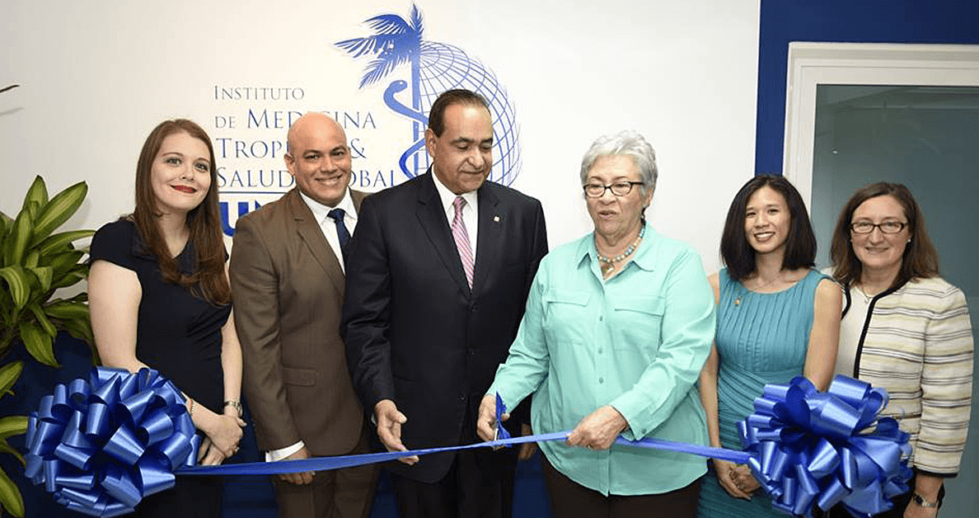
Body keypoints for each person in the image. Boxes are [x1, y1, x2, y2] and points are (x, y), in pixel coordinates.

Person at [477, 130, 716, 518]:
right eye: (595, 186)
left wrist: (621, 415)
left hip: (658, 474)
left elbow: (680, 363)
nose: (606, 197)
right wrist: (497, 397)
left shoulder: (680, 265)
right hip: (572, 467)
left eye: (621, 185)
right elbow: (530, 355)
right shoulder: (555, 266)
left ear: (648, 194)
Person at [341, 89, 548, 518]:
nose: (478, 158)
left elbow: (533, 326)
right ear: (431, 142)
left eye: (486, 145)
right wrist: (381, 399)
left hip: (494, 428)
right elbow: (365, 323)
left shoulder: (523, 214)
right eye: (463, 145)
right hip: (415, 432)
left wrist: (524, 413)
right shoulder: (385, 213)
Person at [88, 119, 246, 517]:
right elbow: (120, 362)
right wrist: (209, 421)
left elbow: (229, 338)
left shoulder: (214, 248)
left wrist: (229, 414)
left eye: (201, 166)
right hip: (144, 438)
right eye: (174, 161)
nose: (188, 175)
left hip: (212, 443)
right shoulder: (118, 242)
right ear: (148, 169)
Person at [229, 113, 377, 518]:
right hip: (304, 435)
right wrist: (282, 441)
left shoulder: (381, 212)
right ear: (290, 163)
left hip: (377, 427)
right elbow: (258, 347)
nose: (328, 167)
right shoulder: (260, 231)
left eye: (337, 153)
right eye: (312, 156)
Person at [697, 175, 841, 518]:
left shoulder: (823, 292)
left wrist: (768, 465)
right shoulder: (716, 286)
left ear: (793, 218)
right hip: (722, 459)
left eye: (772, 210)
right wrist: (715, 453)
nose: (761, 222)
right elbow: (706, 374)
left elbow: (813, 391)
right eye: (750, 214)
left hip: (787, 461)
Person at [827, 182, 973, 518]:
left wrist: (926, 497)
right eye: (863, 224)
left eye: (890, 224)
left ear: (910, 233)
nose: (875, 237)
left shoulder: (940, 301)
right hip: (824, 468)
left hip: (893, 480)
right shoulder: (826, 288)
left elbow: (947, 408)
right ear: (848, 233)